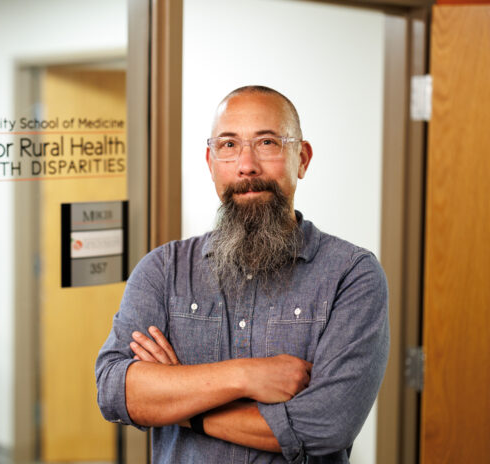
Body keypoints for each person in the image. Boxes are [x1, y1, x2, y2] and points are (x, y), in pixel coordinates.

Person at [95, 85, 389, 463]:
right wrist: (246, 376)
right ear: (210, 161)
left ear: (302, 158)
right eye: (229, 145)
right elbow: (114, 390)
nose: (246, 165)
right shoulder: (163, 269)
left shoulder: (352, 275)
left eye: (267, 143)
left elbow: (325, 425)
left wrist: (181, 403)